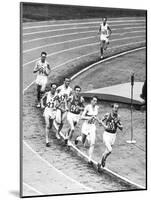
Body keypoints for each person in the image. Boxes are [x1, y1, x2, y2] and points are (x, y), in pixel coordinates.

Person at [98, 103, 123, 171]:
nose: (116, 109)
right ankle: (103, 160)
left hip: (113, 136)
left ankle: (100, 163)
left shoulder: (118, 117)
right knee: (110, 149)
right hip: (106, 135)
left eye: (117, 108)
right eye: (115, 108)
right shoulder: (107, 115)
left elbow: (122, 128)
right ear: (112, 108)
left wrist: (117, 124)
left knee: (107, 151)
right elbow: (100, 122)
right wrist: (104, 125)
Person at [75, 96, 99, 164]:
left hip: (92, 127)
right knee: (84, 143)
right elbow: (81, 117)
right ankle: (78, 138)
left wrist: (98, 120)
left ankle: (89, 159)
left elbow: (95, 116)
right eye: (94, 100)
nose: (95, 102)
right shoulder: (88, 107)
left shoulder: (97, 108)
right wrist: (89, 118)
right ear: (91, 101)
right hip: (86, 126)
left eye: (96, 101)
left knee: (92, 143)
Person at [41, 83, 58, 147]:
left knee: (50, 126)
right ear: (51, 88)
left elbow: (58, 103)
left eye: (55, 88)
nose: (54, 89)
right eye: (53, 88)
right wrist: (42, 105)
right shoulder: (47, 93)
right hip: (47, 110)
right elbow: (42, 99)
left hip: (53, 111)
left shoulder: (57, 95)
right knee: (47, 125)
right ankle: (47, 141)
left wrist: (56, 108)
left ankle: (47, 133)